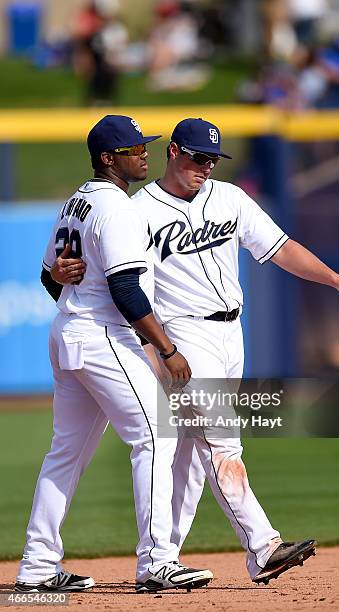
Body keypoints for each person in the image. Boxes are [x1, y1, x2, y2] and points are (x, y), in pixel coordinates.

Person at [53, 117, 339, 585]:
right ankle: (263, 545)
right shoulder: (137, 209)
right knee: (221, 441)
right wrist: (155, 346)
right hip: (185, 336)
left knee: (190, 457)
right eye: (196, 156)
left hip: (233, 334)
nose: (205, 166)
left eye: (212, 158)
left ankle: (161, 559)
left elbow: (281, 247)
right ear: (173, 151)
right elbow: (113, 280)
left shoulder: (229, 197)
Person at [15, 115, 213, 595]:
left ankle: (37, 566)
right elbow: (126, 290)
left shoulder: (75, 203)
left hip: (68, 333)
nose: (143, 152)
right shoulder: (117, 209)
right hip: (101, 334)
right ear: (108, 158)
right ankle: (157, 562)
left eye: (143, 145)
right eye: (132, 148)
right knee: (155, 436)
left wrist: (63, 279)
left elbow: (50, 277)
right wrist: (166, 349)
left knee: (65, 453)